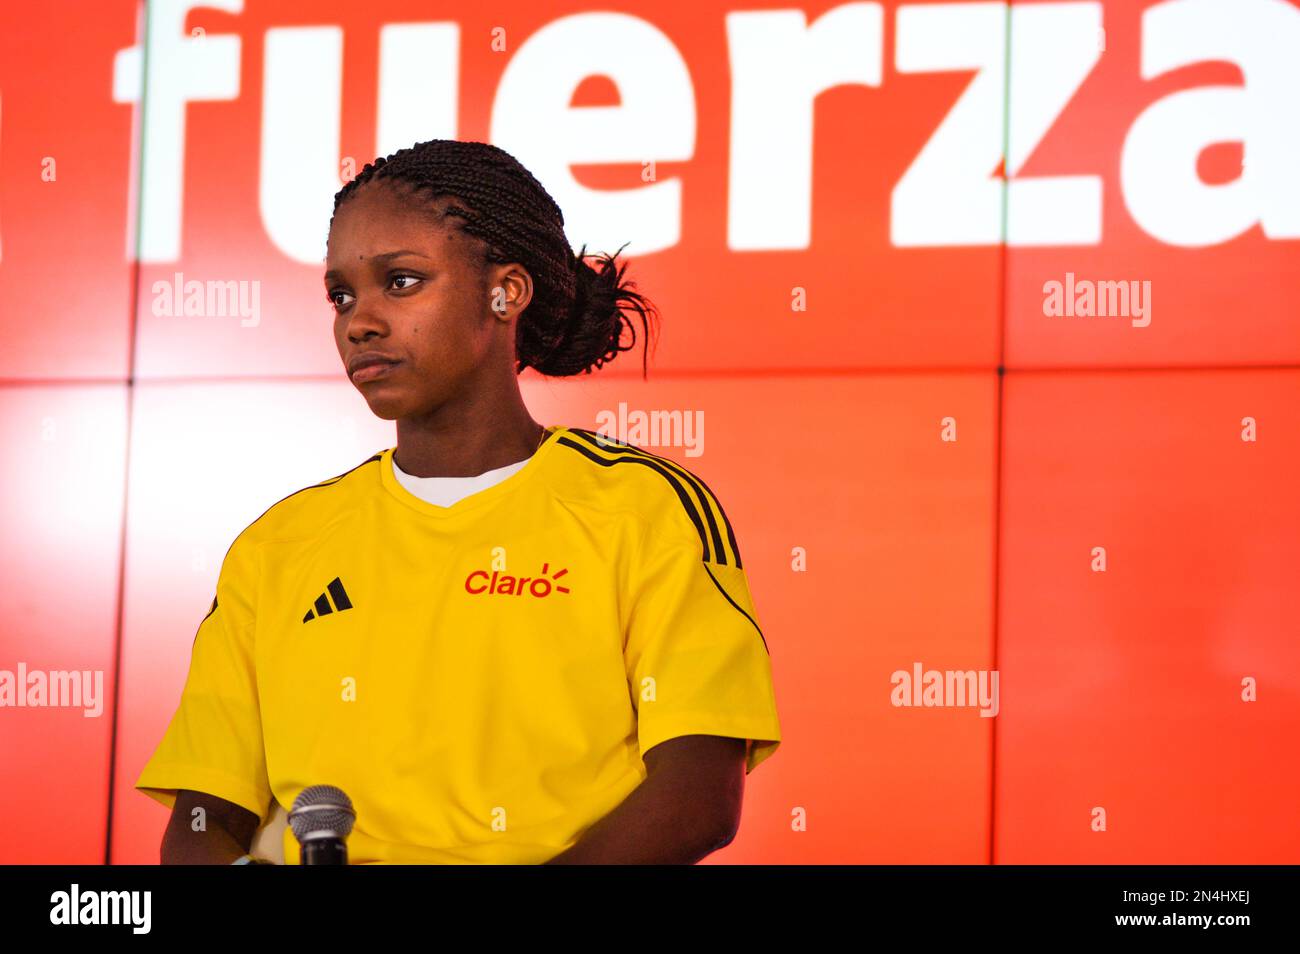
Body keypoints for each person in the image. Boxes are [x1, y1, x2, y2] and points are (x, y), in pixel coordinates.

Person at [135, 139, 782, 864]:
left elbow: (698, 797)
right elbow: (201, 821)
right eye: (341, 294)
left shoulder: (644, 508)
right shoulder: (278, 546)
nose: (359, 321)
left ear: (506, 292)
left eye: (401, 282)